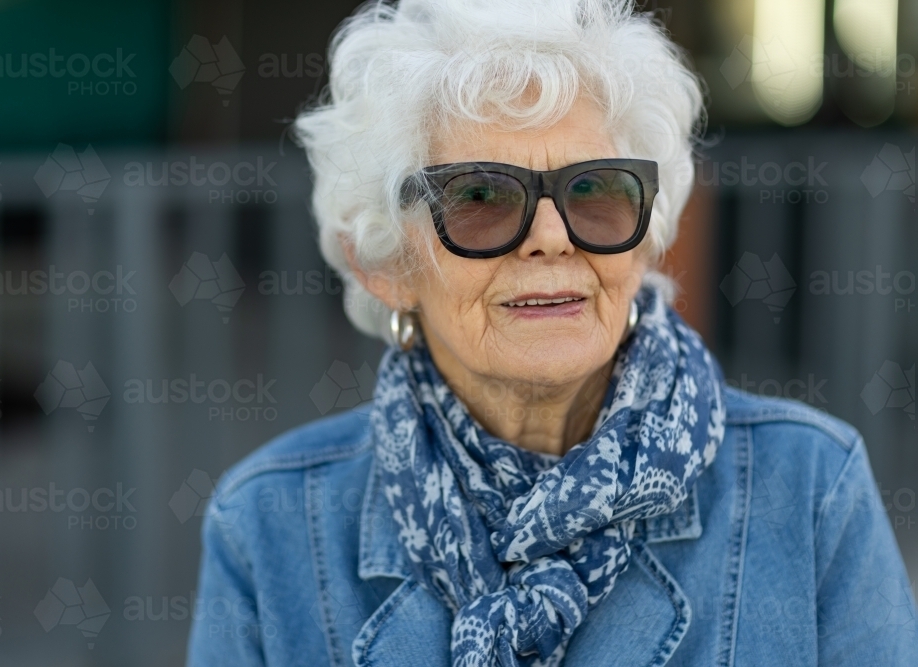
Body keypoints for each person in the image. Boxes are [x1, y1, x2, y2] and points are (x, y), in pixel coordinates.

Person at [186, 1, 918, 665]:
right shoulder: (268, 525)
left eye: (595, 190)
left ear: (643, 236)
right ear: (384, 263)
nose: (550, 237)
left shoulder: (813, 488)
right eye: (479, 196)